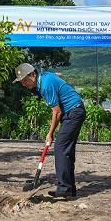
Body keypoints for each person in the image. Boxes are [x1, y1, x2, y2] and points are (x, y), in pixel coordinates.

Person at [14, 62, 86, 199]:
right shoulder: (45, 78)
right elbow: (58, 74)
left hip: (73, 112)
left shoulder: (46, 86)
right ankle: (69, 189)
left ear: (33, 75)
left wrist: (50, 134)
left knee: (60, 148)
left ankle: (64, 188)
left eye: (24, 80)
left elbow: (57, 113)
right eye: (21, 82)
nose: (23, 84)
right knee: (66, 150)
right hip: (74, 111)